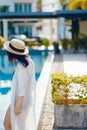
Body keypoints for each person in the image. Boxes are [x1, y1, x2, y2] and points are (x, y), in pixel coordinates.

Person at [3, 39, 36, 130]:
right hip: (25, 100)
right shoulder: (29, 62)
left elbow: (22, 86)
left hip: (20, 101)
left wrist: (18, 104)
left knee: (8, 125)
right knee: (12, 125)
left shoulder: (21, 67)